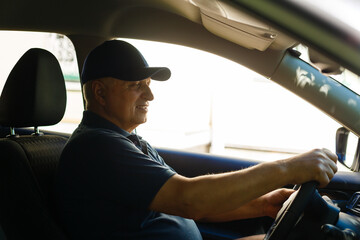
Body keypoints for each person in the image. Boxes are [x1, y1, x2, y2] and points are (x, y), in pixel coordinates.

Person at [54, 40, 338, 240]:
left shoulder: (127, 140)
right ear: (100, 93)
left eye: (148, 86)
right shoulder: (96, 147)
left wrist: (263, 204)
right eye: (136, 86)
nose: (150, 97)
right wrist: (288, 169)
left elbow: (192, 207)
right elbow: (189, 201)